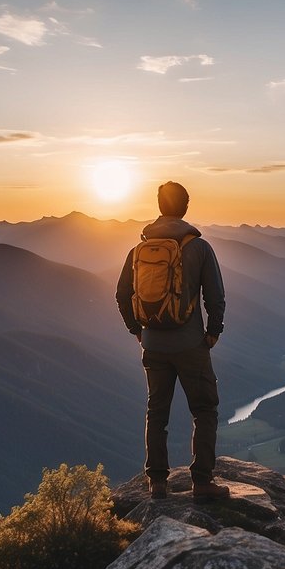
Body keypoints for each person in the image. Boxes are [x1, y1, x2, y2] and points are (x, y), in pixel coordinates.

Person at [116, 181, 229, 501]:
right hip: (190, 343)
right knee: (205, 408)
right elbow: (215, 296)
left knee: (157, 411)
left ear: (160, 205)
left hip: (152, 344)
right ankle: (203, 482)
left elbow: (122, 295)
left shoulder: (139, 249)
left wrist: (136, 330)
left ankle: (157, 483)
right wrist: (213, 332)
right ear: (185, 207)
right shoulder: (199, 247)